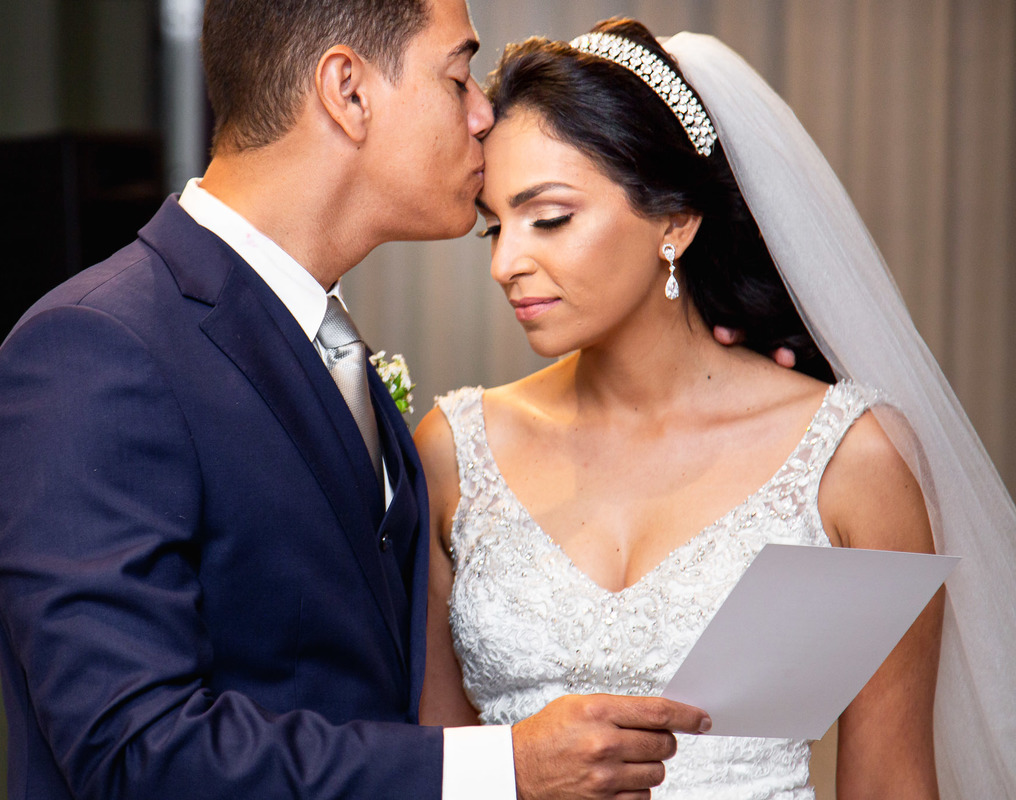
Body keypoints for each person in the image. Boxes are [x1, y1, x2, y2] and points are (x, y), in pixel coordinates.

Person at [0, 2, 714, 799]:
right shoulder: (93, 352)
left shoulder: (323, 343)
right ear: (347, 90)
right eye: (458, 75)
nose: (483, 113)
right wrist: (505, 768)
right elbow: (134, 753)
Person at [417, 17, 1016, 799]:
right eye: (496, 227)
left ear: (675, 219)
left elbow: (893, 783)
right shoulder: (452, 451)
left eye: (551, 218)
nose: (506, 262)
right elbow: (430, 765)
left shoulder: (848, 460)